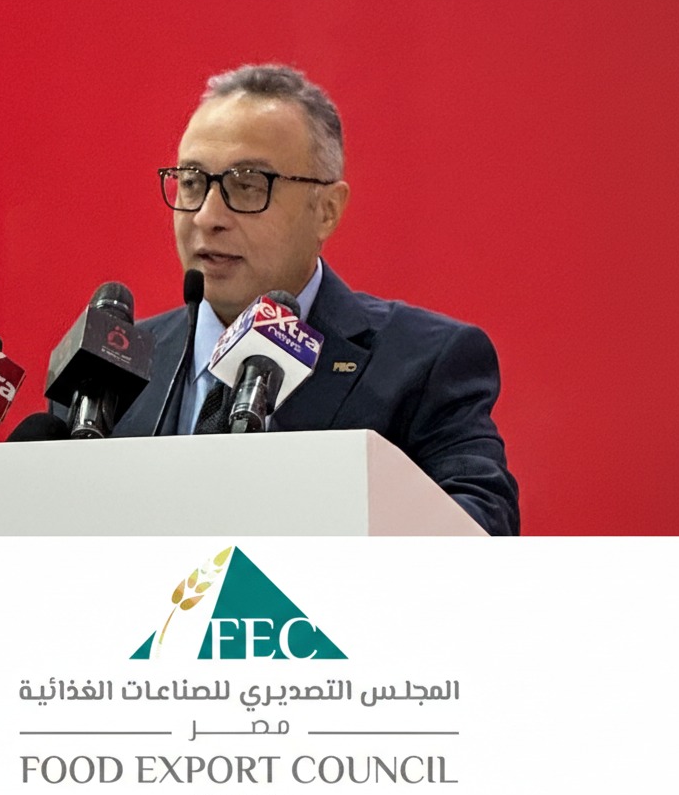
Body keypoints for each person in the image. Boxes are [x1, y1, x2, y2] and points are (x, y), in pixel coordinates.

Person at [106, 64, 519, 535]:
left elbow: (481, 525)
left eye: (247, 184)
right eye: (192, 182)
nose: (207, 216)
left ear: (326, 210)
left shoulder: (422, 363)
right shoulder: (115, 371)